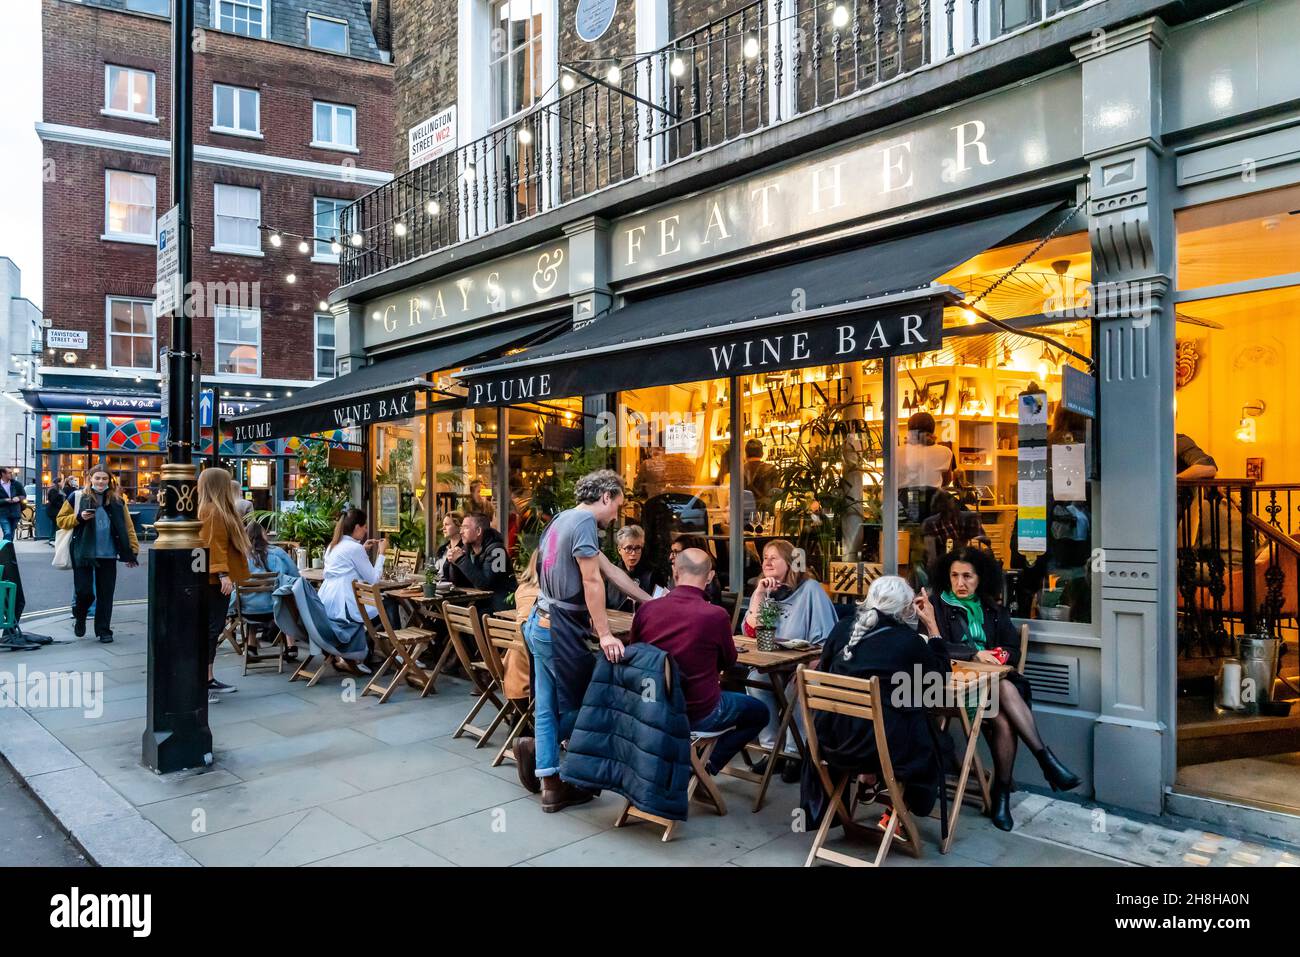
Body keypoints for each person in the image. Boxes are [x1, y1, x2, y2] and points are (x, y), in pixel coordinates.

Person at [512, 469, 654, 810]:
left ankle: (550, 782)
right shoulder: (585, 525)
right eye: (617, 505)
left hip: (540, 622)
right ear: (605, 497)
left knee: (547, 706)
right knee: (593, 696)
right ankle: (543, 756)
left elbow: (610, 571)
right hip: (557, 628)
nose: (617, 514)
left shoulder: (563, 519)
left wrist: (654, 602)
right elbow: (592, 582)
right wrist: (605, 633)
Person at [930, 546, 1080, 831]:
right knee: (1004, 693)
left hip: (992, 689)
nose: (960, 583)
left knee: (1002, 714)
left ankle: (1003, 793)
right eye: (954, 576)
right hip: (952, 692)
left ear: (980, 578)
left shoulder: (992, 610)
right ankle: (1041, 762)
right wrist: (973, 655)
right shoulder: (937, 607)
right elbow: (934, 646)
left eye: (967, 577)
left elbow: (1012, 649)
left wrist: (997, 656)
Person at [800, 576, 952, 826]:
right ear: (906, 608)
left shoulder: (842, 629)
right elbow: (939, 680)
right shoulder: (908, 642)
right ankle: (893, 800)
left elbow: (825, 672)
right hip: (876, 751)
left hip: (831, 743)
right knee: (930, 732)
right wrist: (933, 627)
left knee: (897, 716)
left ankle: (870, 781)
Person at [630, 547, 768, 775]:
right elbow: (729, 661)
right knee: (760, 712)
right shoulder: (715, 616)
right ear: (710, 577)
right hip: (699, 713)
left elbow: (636, 655)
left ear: (675, 574)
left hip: (651, 708)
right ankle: (706, 767)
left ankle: (696, 766)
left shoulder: (646, 610)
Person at [741, 539, 838, 775]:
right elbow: (750, 632)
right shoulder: (768, 590)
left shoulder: (811, 590)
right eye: (764, 557)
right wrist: (758, 594)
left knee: (795, 689)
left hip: (807, 664)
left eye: (774, 557)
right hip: (774, 663)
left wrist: (808, 666)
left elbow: (828, 642)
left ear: (791, 562)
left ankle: (795, 753)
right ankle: (771, 750)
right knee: (756, 682)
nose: (767, 562)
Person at [56, 466, 138, 643]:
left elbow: (128, 527)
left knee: (106, 594)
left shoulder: (117, 500)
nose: (101, 482)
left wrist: (132, 551)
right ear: (90, 478)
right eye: (97, 478)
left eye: (104, 479)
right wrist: (79, 517)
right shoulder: (77, 497)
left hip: (108, 554)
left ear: (109, 480)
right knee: (84, 592)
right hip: (83, 552)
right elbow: (61, 520)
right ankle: (80, 616)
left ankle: (104, 630)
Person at [198, 467, 251, 701]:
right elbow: (213, 545)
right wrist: (222, 574)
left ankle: (208, 679)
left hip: (212, 580)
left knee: (212, 629)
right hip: (214, 581)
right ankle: (204, 682)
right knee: (211, 630)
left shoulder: (212, 509)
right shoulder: (213, 511)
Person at [234, 521, 301, 660]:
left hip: (248, 611)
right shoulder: (278, 553)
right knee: (284, 597)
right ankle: (291, 645)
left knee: (251, 601)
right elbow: (295, 576)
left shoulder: (240, 556)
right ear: (264, 535)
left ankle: (251, 646)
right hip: (274, 610)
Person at [319, 508, 387, 624]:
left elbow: (347, 563)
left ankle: (373, 640)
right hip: (346, 606)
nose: (366, 531)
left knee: (384, 604)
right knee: (389, 604)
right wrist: (381, 553)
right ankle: (393, 641)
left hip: (327, 603)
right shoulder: (354, 548)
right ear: (357, 527)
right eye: (365, 527)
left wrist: (362, 549)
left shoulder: (333, 545)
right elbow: (374, 580)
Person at [446, 512, 516, 612]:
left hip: (501, 608)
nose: (461, 532)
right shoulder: (468, 549)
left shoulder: (498, 551)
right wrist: (453, 563)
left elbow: (486, 584)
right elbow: (458, 582)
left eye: (465, 527)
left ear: (478, 531)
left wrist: (460, 560)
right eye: (461, 528)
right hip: (480, 602)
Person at [896, 411, 956, 525]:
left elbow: (890, 483)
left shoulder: (896, 451)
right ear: (933, 430)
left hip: (903, 506)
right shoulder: (945, 451)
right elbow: (947, 481)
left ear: (909, 430)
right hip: (933, 508)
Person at [606, 524, 662, 611]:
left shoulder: (653, 575)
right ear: (619, 550)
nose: (633, 553)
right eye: (628, 548)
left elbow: (659, 606)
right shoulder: (610, 573)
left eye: (637, 548)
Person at [669, 534, 723, 605]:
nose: (670, 557)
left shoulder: (704, 577)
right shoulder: (681, 573)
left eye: (676, 552)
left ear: (691, 553)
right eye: (672, 552)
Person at [432, 511, 464, 579]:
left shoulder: (464, 549)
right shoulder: (442, 549)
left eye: (447, 525)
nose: (443, 528)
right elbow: (435, 572)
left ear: (458, 526)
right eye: (443, 525)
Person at [0, 466, 27, 542]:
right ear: (3, 474)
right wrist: (5, 500)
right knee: (7, 532)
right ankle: (5, 550)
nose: (11, 474)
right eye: (9, 473)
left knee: (11, 534)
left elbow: (23, 495)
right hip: (3, 513)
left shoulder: (16, 484)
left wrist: (18, 498)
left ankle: (8, 550)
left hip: (15, 512)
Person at [44, 477, 66, 543]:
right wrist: (62, 506)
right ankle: (54, 538)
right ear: (58, 483)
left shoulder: (57, 489)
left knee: (55, 524)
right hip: (53, 510)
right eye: (62, 482)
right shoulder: (54, 490)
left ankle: (52, 538)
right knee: (57, 524)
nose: (63, 483)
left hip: (54, 510)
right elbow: (53, 500)